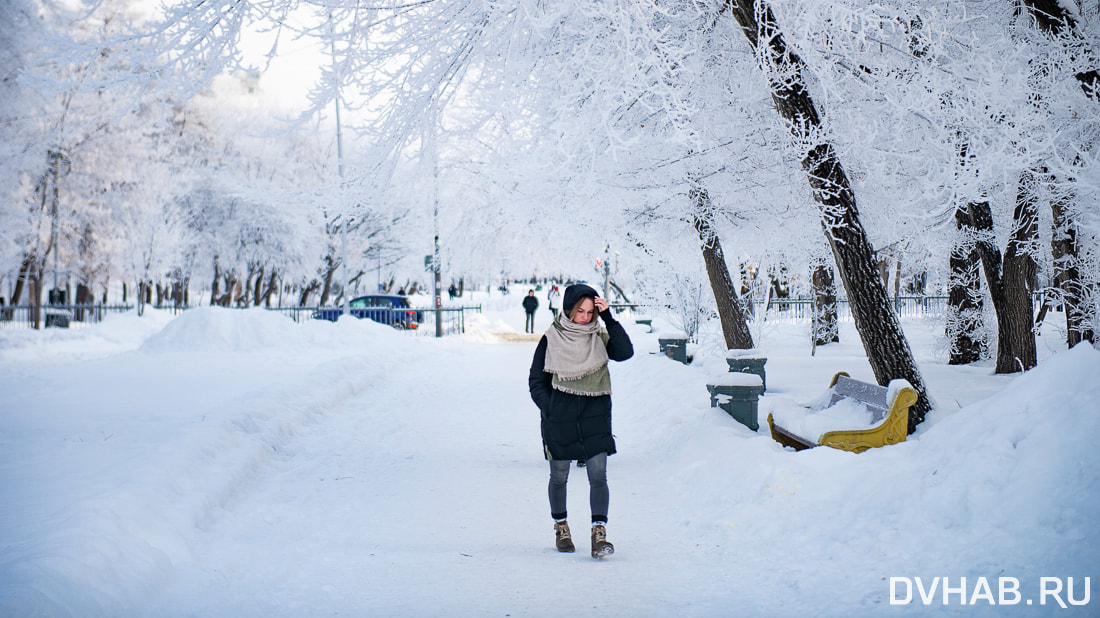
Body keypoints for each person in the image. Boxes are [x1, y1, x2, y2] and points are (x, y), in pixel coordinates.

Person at [528, 284, 633, 558]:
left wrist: (608, 316)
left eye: (590, 312)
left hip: (595, 417)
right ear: (568, 310)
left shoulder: (600, 336)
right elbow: (536, 381)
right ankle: (561, 528)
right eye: (579, 311)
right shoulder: (551, 339)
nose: (585, 317)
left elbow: (625, 352)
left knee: (598, 476)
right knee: (559, 477)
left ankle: (599, 535)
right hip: (559, 420)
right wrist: (550, 408)